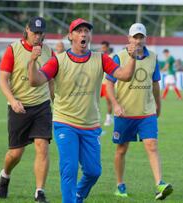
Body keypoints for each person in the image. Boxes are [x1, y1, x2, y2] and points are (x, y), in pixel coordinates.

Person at [28, 18, 137, 203]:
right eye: (79, 31)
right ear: (71, 36)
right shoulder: (58, 61)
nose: (83, 34)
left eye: (86, 30)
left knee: (94, 172)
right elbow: (35, 81)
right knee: (69, 169)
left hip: (90, 125)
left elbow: (125, 76)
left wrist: (133, 58)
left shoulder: (101, 59)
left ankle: (79, 195)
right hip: (65, 123)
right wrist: (32, 61)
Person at [106, 23, 173, 200]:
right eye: (134, 37)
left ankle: (160, 184)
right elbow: (109, 84)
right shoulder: (118, 57)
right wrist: (115, 104)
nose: (138, 40)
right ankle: (120, 185)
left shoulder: (153, 57)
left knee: (152, 145)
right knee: (121, 150)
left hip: (147, 112)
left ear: (145, 38)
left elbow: (155, 84)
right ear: (129, 38)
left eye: (141, 37)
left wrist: (158, 105)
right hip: (125, 113)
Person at [0, 16, 53, 203]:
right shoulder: (13, 49)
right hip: (19, 107)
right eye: (34, 32)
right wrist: (12, 100)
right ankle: (5, 175)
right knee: (15, 153)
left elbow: (51, 80)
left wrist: (56, 100)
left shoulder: (49, 52)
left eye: (41, 33)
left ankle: (39, 192)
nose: (38, 36)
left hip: (42, 106)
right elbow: (3, 79)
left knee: (42, 146)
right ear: (27, 30)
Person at [100, 41, 113, 126]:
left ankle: (108, 118)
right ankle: (95, 119)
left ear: (108, 47)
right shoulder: (100, 56)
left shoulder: (112, 57)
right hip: (100, 83)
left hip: (108, 83)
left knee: (109, 101)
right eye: (102, 47)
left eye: (104, 47)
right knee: (94, 101)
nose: (103, 49)